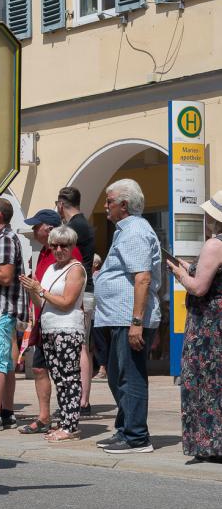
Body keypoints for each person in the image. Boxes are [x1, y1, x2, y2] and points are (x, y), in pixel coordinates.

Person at [93, 178, 161, 454]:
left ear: (124, 205)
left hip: (128, 318)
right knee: (117, 376)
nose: (105, 206)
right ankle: (125, 430)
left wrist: (136, 322)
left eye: (109, 201)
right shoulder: (126, 230)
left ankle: (136, 437)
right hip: (118, 317)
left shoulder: (134, 230)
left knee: (129, 377)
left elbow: (142, 278)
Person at [17, 208, 82, 435]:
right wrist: (32, 289)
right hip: (49, 327)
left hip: (67, 329)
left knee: (68, 379)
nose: (58, 250)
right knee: (57, 377)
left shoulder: (75, 267)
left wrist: (40, 290)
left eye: (64, 245)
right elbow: (40, 297)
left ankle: (69, 426)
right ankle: (61, 422)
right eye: (55, 246)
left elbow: (66, 302)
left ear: (71, 246)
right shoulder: (51, 265)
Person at [169, 190, 222, 462]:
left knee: (203, 382)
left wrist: (180, 274)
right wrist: (191, 267)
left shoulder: (215, 244)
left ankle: (209, 443)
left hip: (209, 325)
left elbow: (199, 288)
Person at [0, 197, 27, 430]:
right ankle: (8, 412)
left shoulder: (6, 239)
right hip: (2, 309)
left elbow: (6, 275)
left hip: (2, 308)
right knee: (6, 363)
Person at [57, 185, 98, 413]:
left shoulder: (74, 227)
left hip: (80, 291)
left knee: (81, 345)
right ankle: (83, 398)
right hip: (86, 289)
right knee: (84, 345)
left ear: (61, 204)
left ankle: (82, 400)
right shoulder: (84, 224)